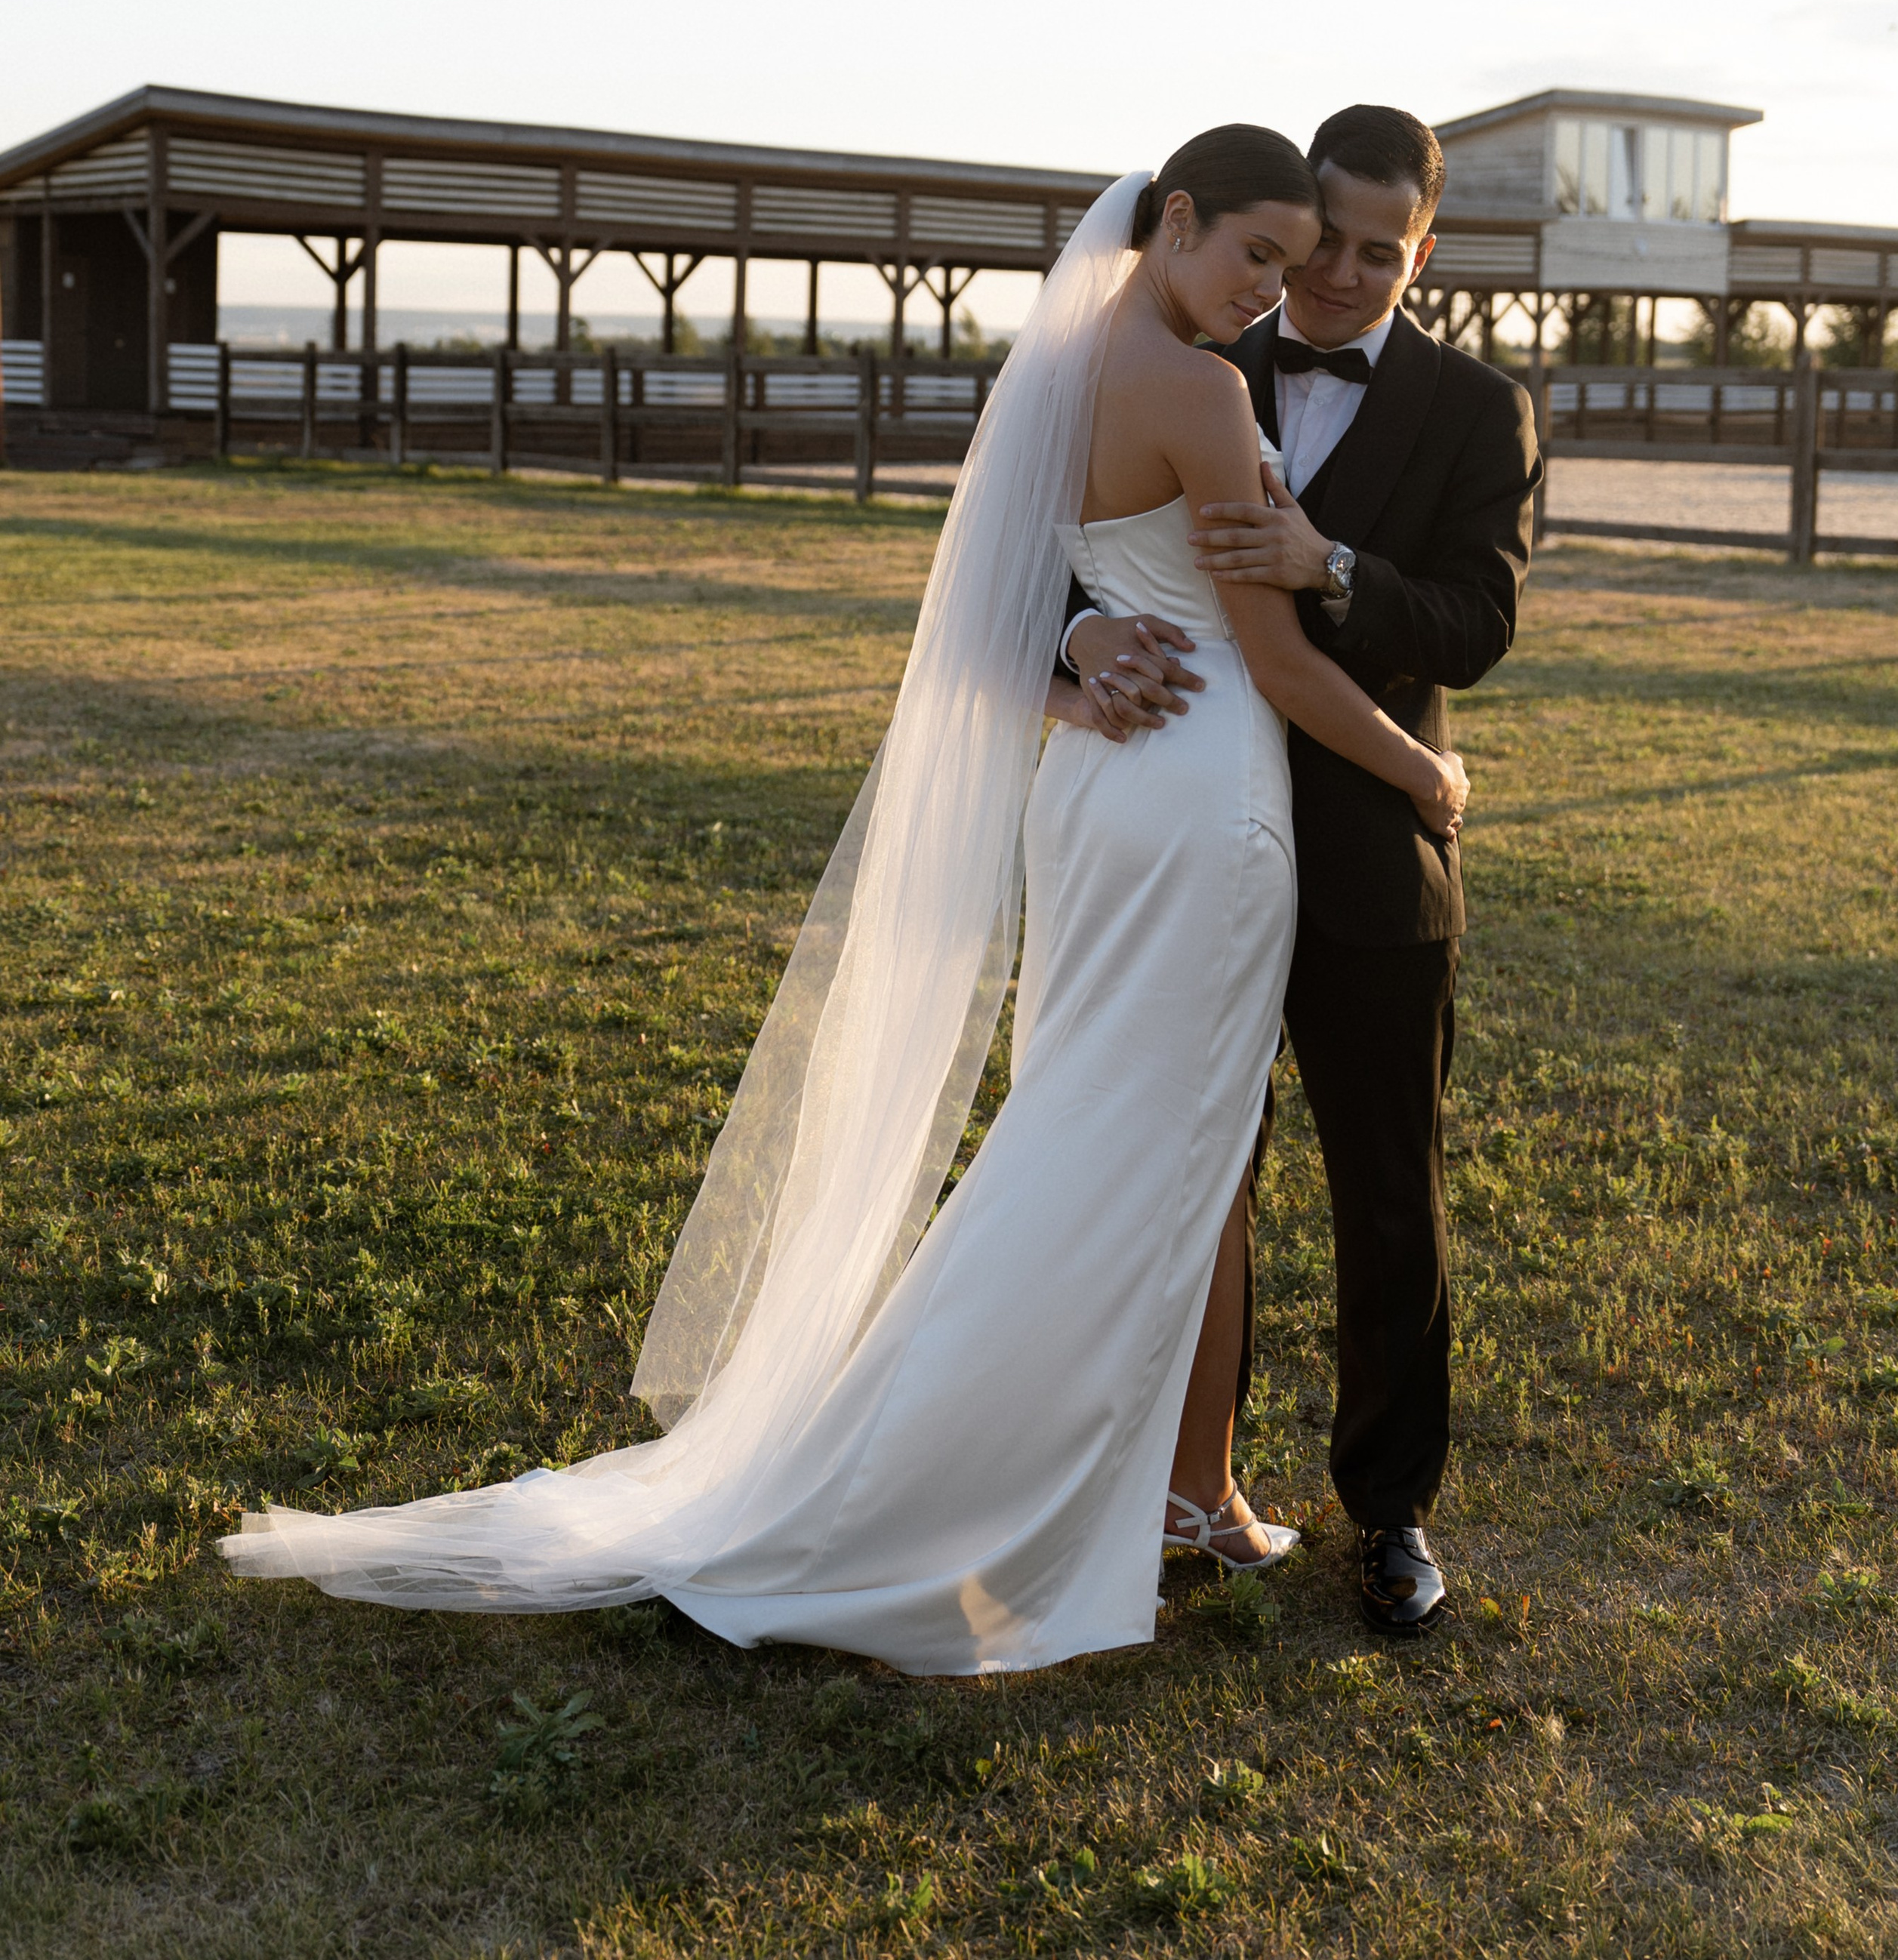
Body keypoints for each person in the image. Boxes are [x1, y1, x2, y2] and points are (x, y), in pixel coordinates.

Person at [220, 126, 1465, 1678]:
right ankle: (925, 1488)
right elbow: (1268, 661)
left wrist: (1080, 658)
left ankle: (1190, 1489)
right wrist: (1423, 772)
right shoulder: (1206, 390)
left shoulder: (1060, 368)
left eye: (1295, 264)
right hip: (1199, 802)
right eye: (1255, 255)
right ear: (1172, 220)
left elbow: (1005, 595)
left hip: (1097, 792)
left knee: (1136, 1140)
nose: (1273, 289)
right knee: (1127, 1147)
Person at [1058, 104, 1539, 1634]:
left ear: (1422, 255)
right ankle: (1183, 1478)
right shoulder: (1199, 343)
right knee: (1189, 1174)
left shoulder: (1479, 412)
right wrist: (1081, 638)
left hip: (1361, 866)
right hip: (1185, 838)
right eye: (1320, 240)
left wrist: (1330, 568)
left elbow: (1473, 625)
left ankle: (1388, 1513)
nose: (1330, 277)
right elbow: (1037, 555)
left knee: (1387, 1195)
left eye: (1376, 255)